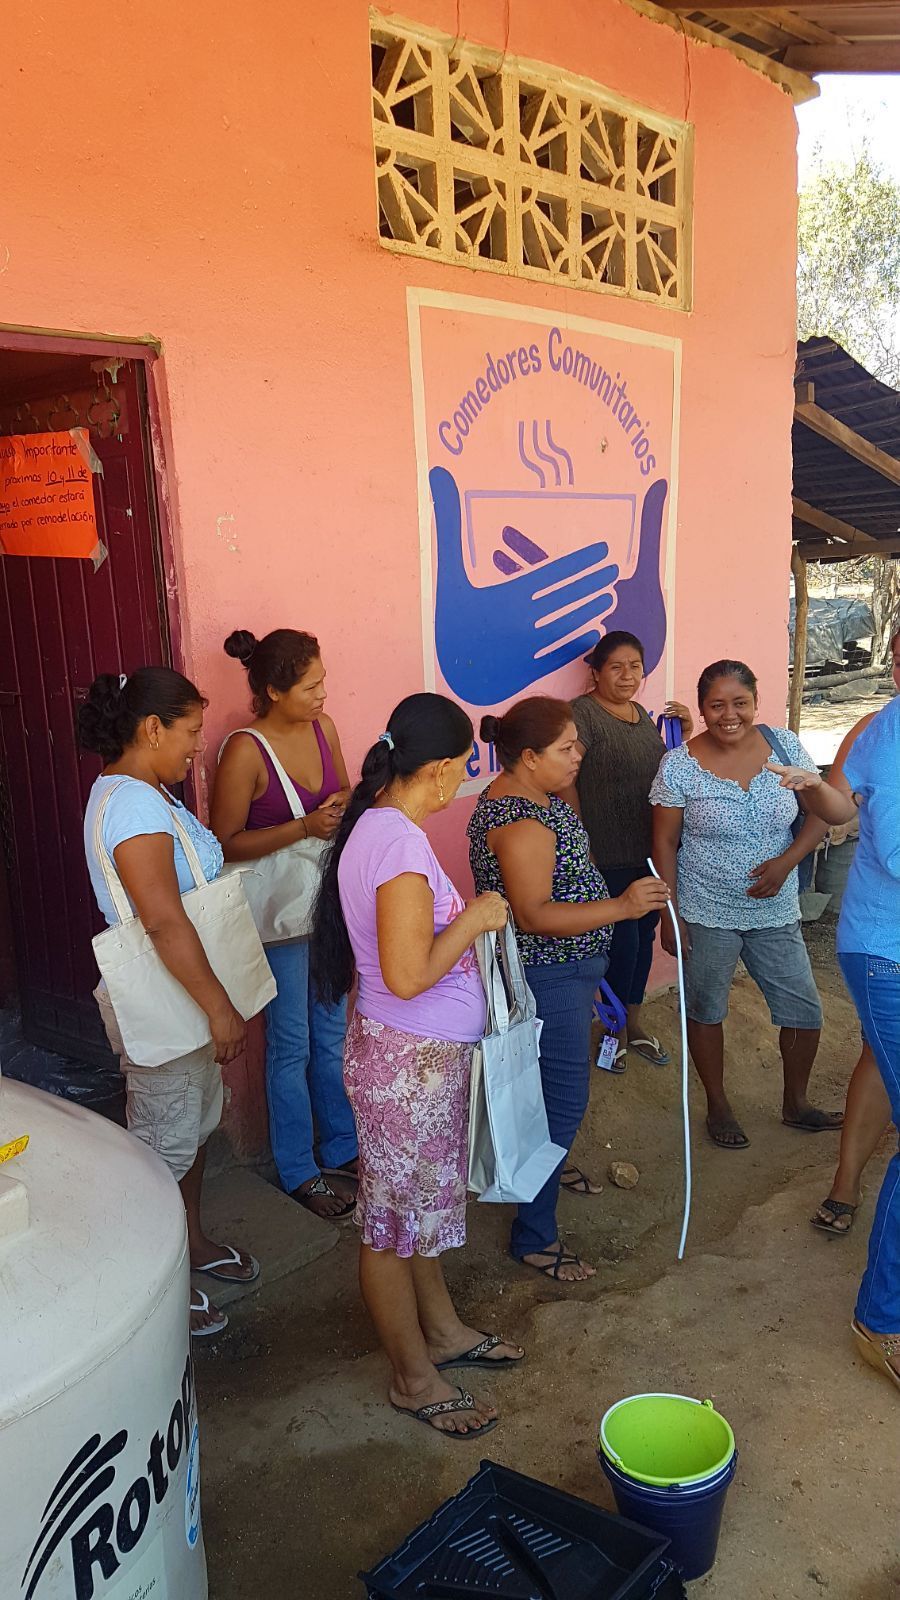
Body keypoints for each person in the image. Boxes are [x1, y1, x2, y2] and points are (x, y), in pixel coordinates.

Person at [310, 693, 523, 1439]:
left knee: (412, 1215)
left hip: (406, 1060)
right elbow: (405, 973)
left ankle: (441, 1332)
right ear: (435, 770)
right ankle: (411, 1376)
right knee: (389, 1225)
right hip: (410, 1069)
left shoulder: (378, 823)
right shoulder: (397, 844)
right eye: (461, 770)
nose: (460, 782)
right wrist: (475, 917)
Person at [79, 668, 259, 1339]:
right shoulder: (131, 805)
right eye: (188, 733)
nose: (195, 747)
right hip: (170, 998)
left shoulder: (145, 791)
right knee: (160, 1148)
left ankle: (190, 1240)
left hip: (181, 994)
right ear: (151, 728)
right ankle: (156, 1286)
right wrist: (217, 1006)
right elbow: (160, 918)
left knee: (192, 1126)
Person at [467, 696, 670, 1282]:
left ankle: (545, 1174)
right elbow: (534, 914)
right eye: (566, 748)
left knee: (550, 1088)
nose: (579, 755)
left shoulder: (536, 799)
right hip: (548, 975)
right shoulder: (521, 820)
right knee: (562, 1098)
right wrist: (623, 905)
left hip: (566, 973)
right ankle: (535, 1234)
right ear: (528, 757)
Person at [650, 659, 837, 1150]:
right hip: (705, 907)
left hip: (774, 911)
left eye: (740, 703)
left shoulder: (783, 747)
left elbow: (820, 811)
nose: (729, 714)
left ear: (755, 702)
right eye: (717, 705)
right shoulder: (680, 765)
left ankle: (795, 1103)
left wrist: (787, 864)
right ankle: (719, 1105)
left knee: (803, 1009)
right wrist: (669, 915)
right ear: (702, 709)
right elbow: (664, 843)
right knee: (707, 1008)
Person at [770, 694, 900, 1391]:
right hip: (888, 955)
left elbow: (843, 807)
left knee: (883, 1063)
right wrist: (820, 792)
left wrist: (821, 790)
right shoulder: (890, 736)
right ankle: (882, 1322)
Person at [212, 628, 358, 1220]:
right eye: (311, 686)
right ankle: (298, 1167)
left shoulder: (324, 729)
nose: (324, 694)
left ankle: (342, 1148)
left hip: (325, 907)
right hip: (278, 919)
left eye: (324, 681)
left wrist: (343, 806)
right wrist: (303, 828)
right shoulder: (244, 749)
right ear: (273, 690)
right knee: (292, 1043)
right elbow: (223, 841)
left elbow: (344, 789)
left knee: (332, 1035)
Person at [562, 630, 693, 1071]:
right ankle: (612, 1032)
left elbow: (665, 773)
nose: (626, 675)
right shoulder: (581, 715)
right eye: (615, 667)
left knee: (640, 941)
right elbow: (565, 779)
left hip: (648, 851)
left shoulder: (640, 714)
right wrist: (583, 844)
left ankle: (632, 1025)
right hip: (605, 853)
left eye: (634, 666)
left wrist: (685, 736)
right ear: (596, 672)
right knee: (621, 946)